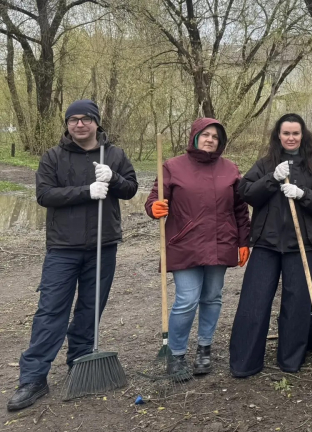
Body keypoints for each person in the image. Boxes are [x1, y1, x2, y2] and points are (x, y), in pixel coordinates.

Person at [8, 99, 138, 411]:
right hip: (63, 248)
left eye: (85, 119)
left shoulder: (114, 155)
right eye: (73, 120)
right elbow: (44, 195)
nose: (79, 124)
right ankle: (34, 377)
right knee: (50, 310)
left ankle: (80, 362)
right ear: (67, 124)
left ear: (96, 122)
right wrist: (87, 190)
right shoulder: (53, 156)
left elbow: (131, 188)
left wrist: (114, 178)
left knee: (90, 309)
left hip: (103, 245)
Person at [145, 118, 251, 379]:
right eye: (205, 135)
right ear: (195, 136)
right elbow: (154, 199)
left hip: (220, 241)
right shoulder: (172, 166)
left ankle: (204, 348)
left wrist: (244, 241)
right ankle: (177, 354)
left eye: (215, 136)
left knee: (213, 297)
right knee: (186, 300)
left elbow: (240, 209)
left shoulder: (230, 169)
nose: (210, 140)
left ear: (220, 142)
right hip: (184, 243)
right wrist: (154, 208)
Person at [229, 113, 312, 376]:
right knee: (254, 301)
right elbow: (245, 193)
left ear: (302, 135)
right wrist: (271, 179)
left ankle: (290, 360)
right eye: (286, 133)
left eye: (295, 133)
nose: (290, 137)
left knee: (297, 302)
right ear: (278, 135)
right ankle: (245, 363)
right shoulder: (266, 164)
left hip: (301, 244)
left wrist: (302, 194)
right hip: (266, 242)